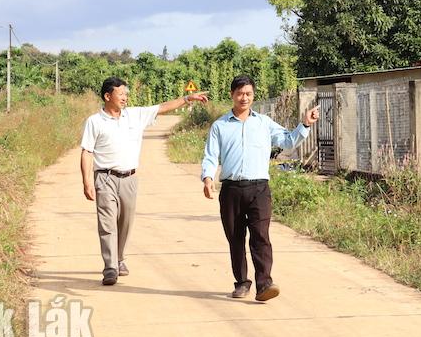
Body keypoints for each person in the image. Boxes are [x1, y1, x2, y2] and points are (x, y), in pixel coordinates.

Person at [201, 75, 319, 302]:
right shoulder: (220, 126)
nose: (244, 98)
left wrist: (304, 124)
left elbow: (287, 141)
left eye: (248, 94)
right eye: (239, 93)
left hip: (259, 189)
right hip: (231, 189)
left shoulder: (264, 123)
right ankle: (241, 283)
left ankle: (264, 284)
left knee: (261, 237)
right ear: (232, 95)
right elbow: (210, 156)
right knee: (235, 238)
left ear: (253, 96)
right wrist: (208, 178)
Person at [81, 76, 208, 285]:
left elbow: (162, 108)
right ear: (107, 96)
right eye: (120, 93)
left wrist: (187, 99)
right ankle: (110, 267)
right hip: (105, 178)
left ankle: (120, 258)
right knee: (107, 224)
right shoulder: (94, 122)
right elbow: (87, 152)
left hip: (129, 178)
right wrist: (87, 182)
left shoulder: (135, 115)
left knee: (126, 223)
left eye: (126, 93)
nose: (125, 97)